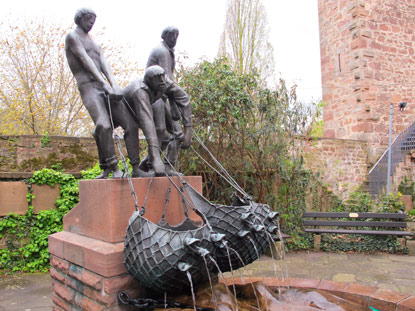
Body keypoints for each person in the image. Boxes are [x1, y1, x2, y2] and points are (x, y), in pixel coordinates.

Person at [65, 8, 162, 178]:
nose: (91, 22)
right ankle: (113, 167)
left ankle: (136, 167)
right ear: (79, 19)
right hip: (89, 87)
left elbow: (105, 66)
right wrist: (104, 84)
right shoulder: (72, 37)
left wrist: (114, 86)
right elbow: (84, 60)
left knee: (131, 124)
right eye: (89, 18)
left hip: (105, 88)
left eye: (94, 19)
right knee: (104, 125)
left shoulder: (96, 44)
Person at [124, 66, 192, 175]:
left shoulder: (163, 81)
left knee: (177, 134)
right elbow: (148, 123)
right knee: (154, 131)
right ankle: (145, 166)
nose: (162, 80)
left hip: (154, 100)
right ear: (150, 81)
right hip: (129, 109)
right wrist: (156, 158)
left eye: (163, 76)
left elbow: (184, 98)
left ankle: (167, 167)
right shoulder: (139, 91)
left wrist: (188, 131)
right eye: (158, 78)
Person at [142, 26, 191, 173]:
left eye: (177, 35)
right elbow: (166, 81)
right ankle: (150, 165)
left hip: (162, 96)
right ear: (164, 36)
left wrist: (174, 105)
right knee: (161, 131)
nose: (174, 38)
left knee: (177, 134)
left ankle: (167, 166)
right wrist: (176, 105)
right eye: (171, 35)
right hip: (154, 96)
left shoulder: (168, 52)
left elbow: (168, 81)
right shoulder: (162, 52)